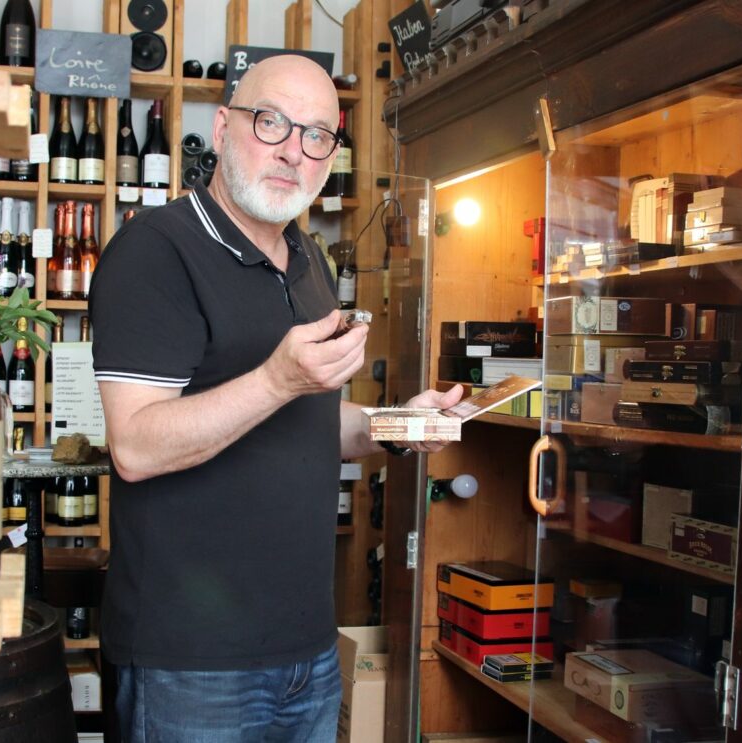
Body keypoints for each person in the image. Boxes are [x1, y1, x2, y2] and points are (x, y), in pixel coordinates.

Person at [89, 55, 463, 742]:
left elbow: (317, 424)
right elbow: (135, 446)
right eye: (273, 122)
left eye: (319, 133)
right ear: (224, 127)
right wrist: (276, 377)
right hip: (192, 664)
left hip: (308, 652)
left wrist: (398, 421)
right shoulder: (155, 252)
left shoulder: (310, 260)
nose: (295, 149)